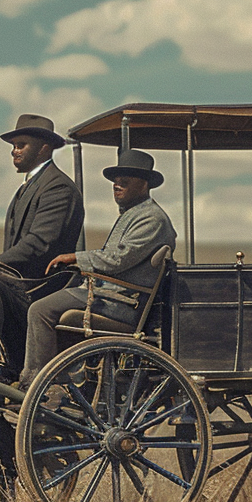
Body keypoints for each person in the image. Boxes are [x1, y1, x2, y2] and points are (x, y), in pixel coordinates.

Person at [19, 149, 176, 388]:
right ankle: (70, 381)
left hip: (120, 303)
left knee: (39, 310)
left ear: (144, 184)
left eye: (126, 179)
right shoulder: (135, 214)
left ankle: (38, 385)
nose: (117, 184)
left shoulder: (152, 218)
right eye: (116, 179)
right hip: (110, 296)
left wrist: (76, 258)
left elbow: (118, 259)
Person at [0, 114, 85, 377]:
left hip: (42, 286)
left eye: (21, 145)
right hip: (22, 282)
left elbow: (40, 243)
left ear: (44, 148)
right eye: (13, 146)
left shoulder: (58, 188)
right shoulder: (31, 185)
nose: (14, 151)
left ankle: (30, 377)